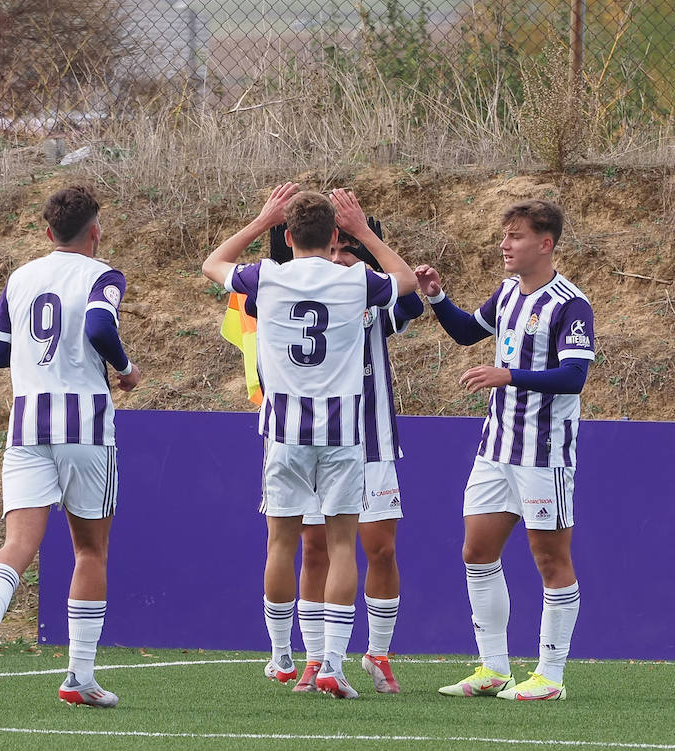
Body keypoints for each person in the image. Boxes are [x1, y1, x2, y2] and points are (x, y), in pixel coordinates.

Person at [201, 185, 415, 698]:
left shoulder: (267, 277)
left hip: (284, 432)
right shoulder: (355, 280)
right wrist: (365, 232)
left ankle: (280, 655)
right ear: (336, 235)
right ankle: (334, 666)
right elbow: (405, 281)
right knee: (343, 548)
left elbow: (213, 264)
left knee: (282, 542)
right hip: (342, 433)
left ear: (288, 235)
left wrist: (259, 220)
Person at [0, 185, 141, 708]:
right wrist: (126, 370)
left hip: (27, 427)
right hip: (84, 427)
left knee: (19, 544)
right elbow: (97, 324)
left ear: (47, 233)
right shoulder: (103, 275)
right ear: (95, 231)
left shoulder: (21, 277)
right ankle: (79, 677)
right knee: (90, 549)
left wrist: (35, 357)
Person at [417, 199, 593, 701]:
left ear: (545, 243)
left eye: (515, 236)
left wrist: (508, 375)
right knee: (477, 551)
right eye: (504, 235)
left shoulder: (569, 304)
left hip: (544, 453)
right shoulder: (509, 293)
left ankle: (551, 677)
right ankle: (493, 669)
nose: (504, 244)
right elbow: (470, 332)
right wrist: (438, 298)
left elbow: (574, 377)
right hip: (496, 448)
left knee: (549, 559)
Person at [275, 222, 424, 694]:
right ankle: (316, 659)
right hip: (313, 441)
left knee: (379, 548)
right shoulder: (300, 295)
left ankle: (378, 653)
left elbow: (413, 301)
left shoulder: (370, 293)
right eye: (333, 248)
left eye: (347, 249)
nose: (338, 258)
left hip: (371, 442)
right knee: (315, 549)